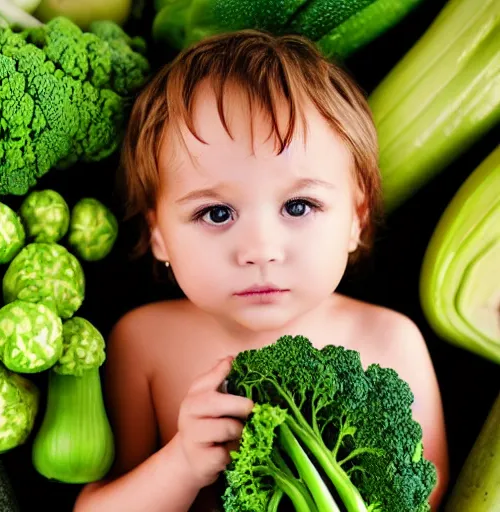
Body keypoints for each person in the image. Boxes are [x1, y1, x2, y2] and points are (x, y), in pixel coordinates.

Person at [74, 29, 449, 512]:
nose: (260, 250)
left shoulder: (391, 340)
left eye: (298, 206)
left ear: (356, 218)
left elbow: (436, 498)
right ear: (160, 235)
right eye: (216, 213)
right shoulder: (144, 343)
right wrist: (181, 464)